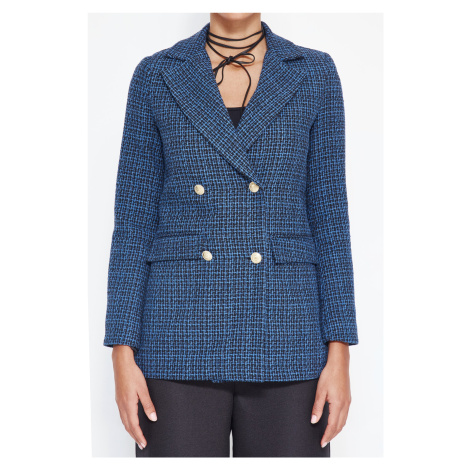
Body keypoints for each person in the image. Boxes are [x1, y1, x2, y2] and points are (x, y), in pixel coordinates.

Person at [104, 12, 359, 457]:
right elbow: (133, 223)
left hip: (288, 333)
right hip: (177, 334)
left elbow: (330, 218)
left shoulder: (314, 72)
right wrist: (121, 351)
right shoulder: (157, 74)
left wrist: (340, 350)